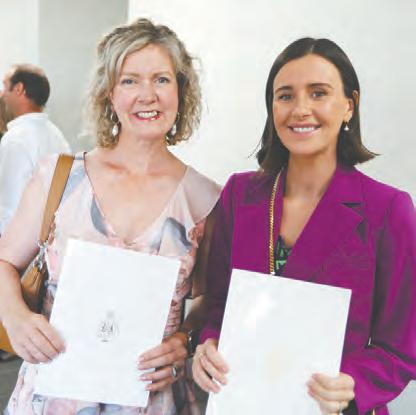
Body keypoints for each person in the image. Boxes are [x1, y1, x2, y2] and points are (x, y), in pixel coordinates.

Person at [0, 18, 220, 415]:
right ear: (109, 94)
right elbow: (4, 263)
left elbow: (210, 299)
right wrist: (14, 318)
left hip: (151, 400)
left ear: (181, 90)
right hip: (53, 396)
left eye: (161, 80)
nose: (147, 95)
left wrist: (184, 339)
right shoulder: (59, 177)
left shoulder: (205, 199)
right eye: (129, 80)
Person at [192, 38, 416, 415]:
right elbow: (219, 303)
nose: (300, 109)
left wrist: (353, 384)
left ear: (349, 105)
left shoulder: (389, 209)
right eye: (285, 96)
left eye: (318, 93)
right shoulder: (239, 195)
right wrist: (208, 344)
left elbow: (401, 346)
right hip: (242, 403)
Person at [0, 64, 71, 234]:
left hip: (19, 243)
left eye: (5, 86)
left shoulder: (16, 139)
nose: (2, 94)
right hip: (49, 239)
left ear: (19, 89)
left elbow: (9, 209)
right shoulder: (57, 135)